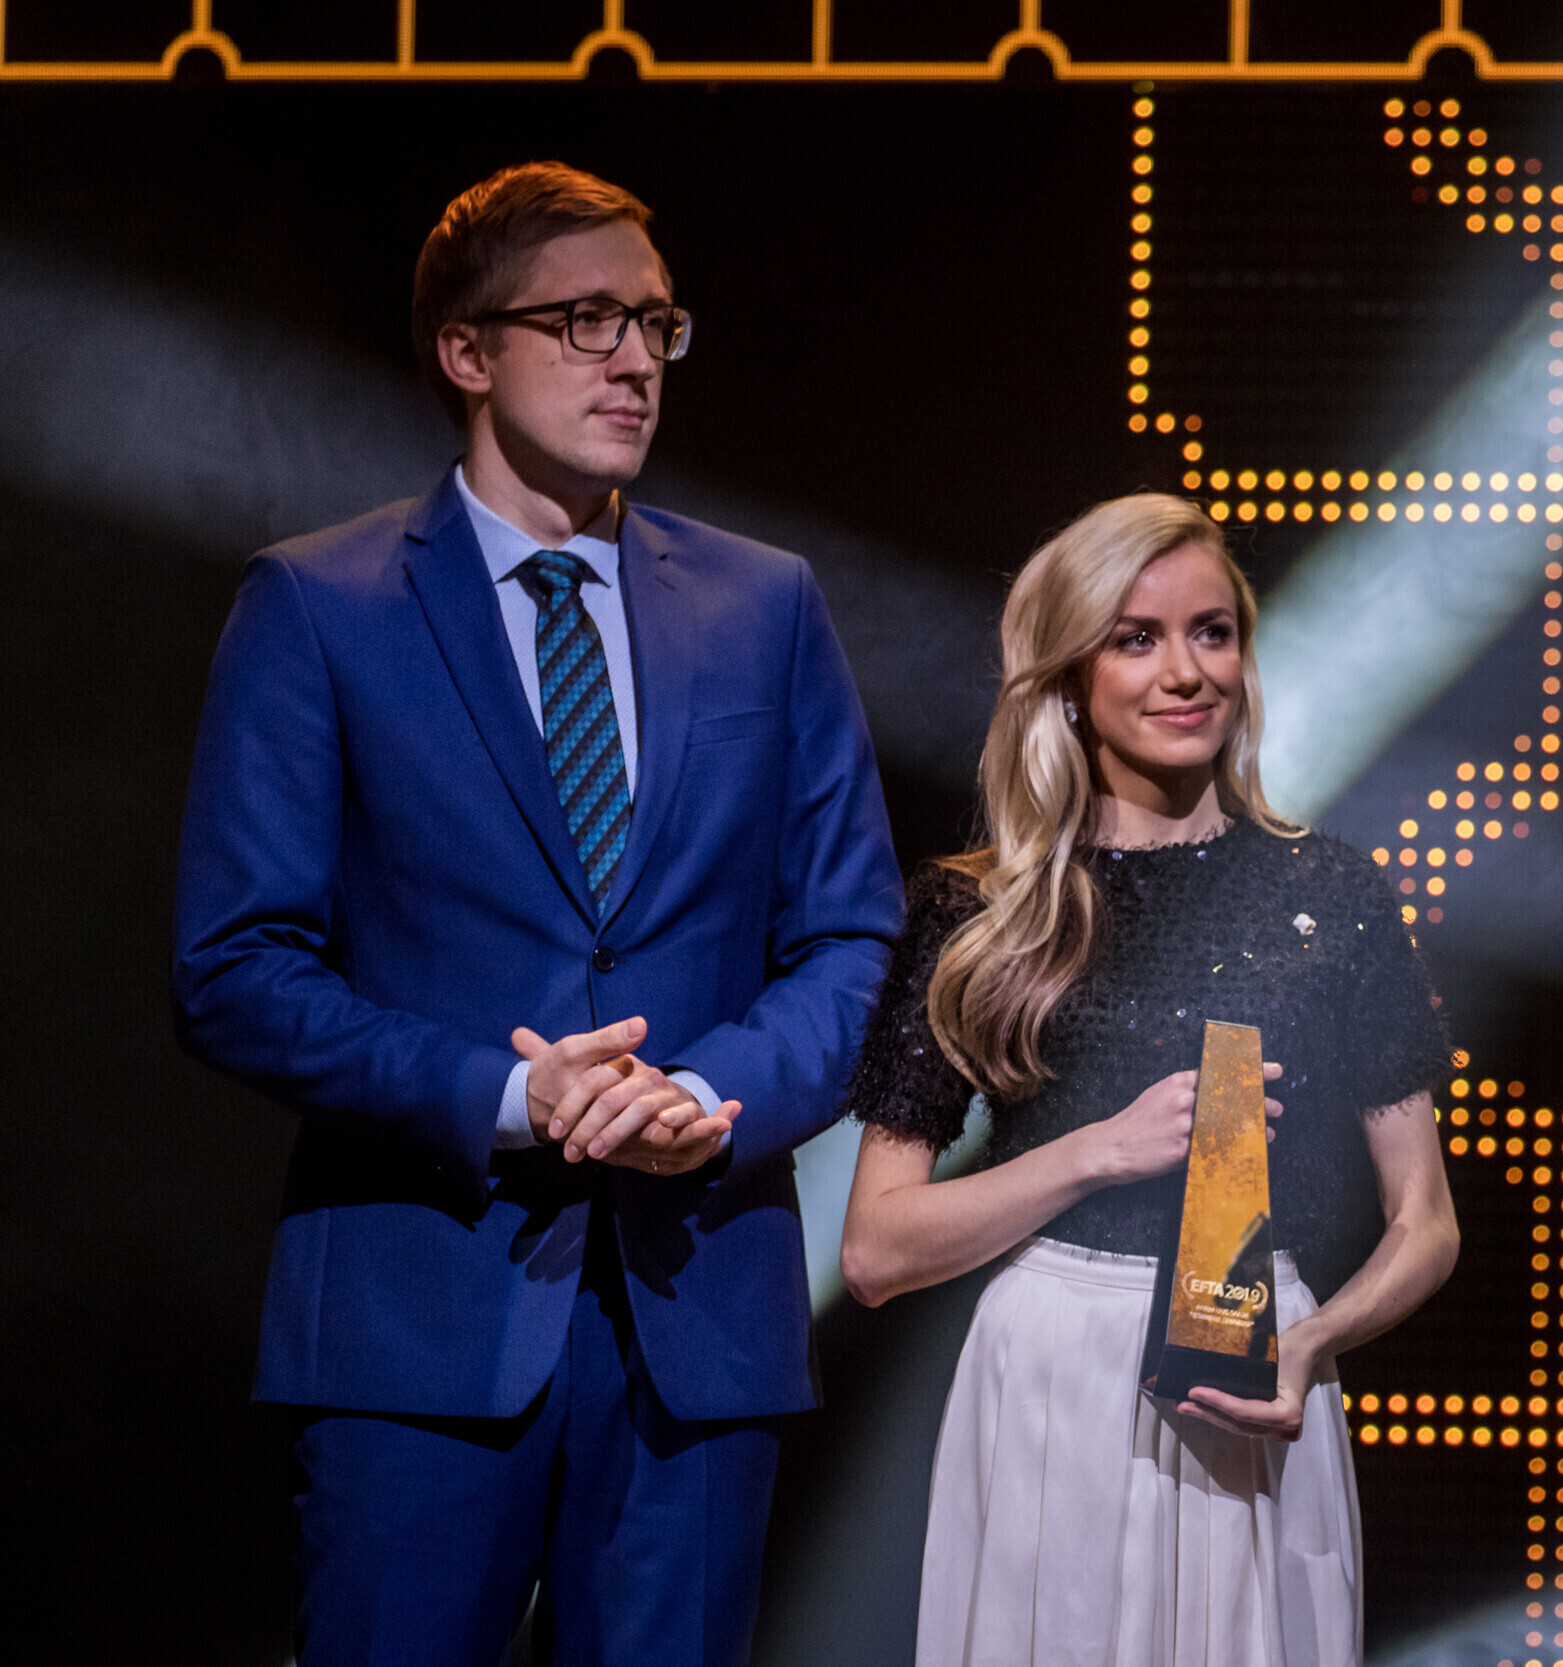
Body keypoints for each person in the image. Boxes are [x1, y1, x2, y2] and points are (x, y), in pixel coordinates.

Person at [172, 162, 902, 1665]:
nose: (635, 360)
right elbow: (234, 965)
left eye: (656, 324)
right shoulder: (320, 604)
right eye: (585, 322)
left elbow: (852, 937)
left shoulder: (765, 604)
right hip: (417, 1326)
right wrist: (508, 1096)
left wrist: (706, 1092)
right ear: (467, 350)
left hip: (697, 1325)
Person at [837, 493, 1460, 1667]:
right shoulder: (982, 910)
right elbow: (875, 1247)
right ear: (1071, 677)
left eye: (1211, 632)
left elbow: (1424, 1221)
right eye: (1137, 638)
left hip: (1254, 1373)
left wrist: (1308, 1342)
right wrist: (1093, 1152)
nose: (1185, 671)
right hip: (1051, 1375)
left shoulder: (1330, 891)